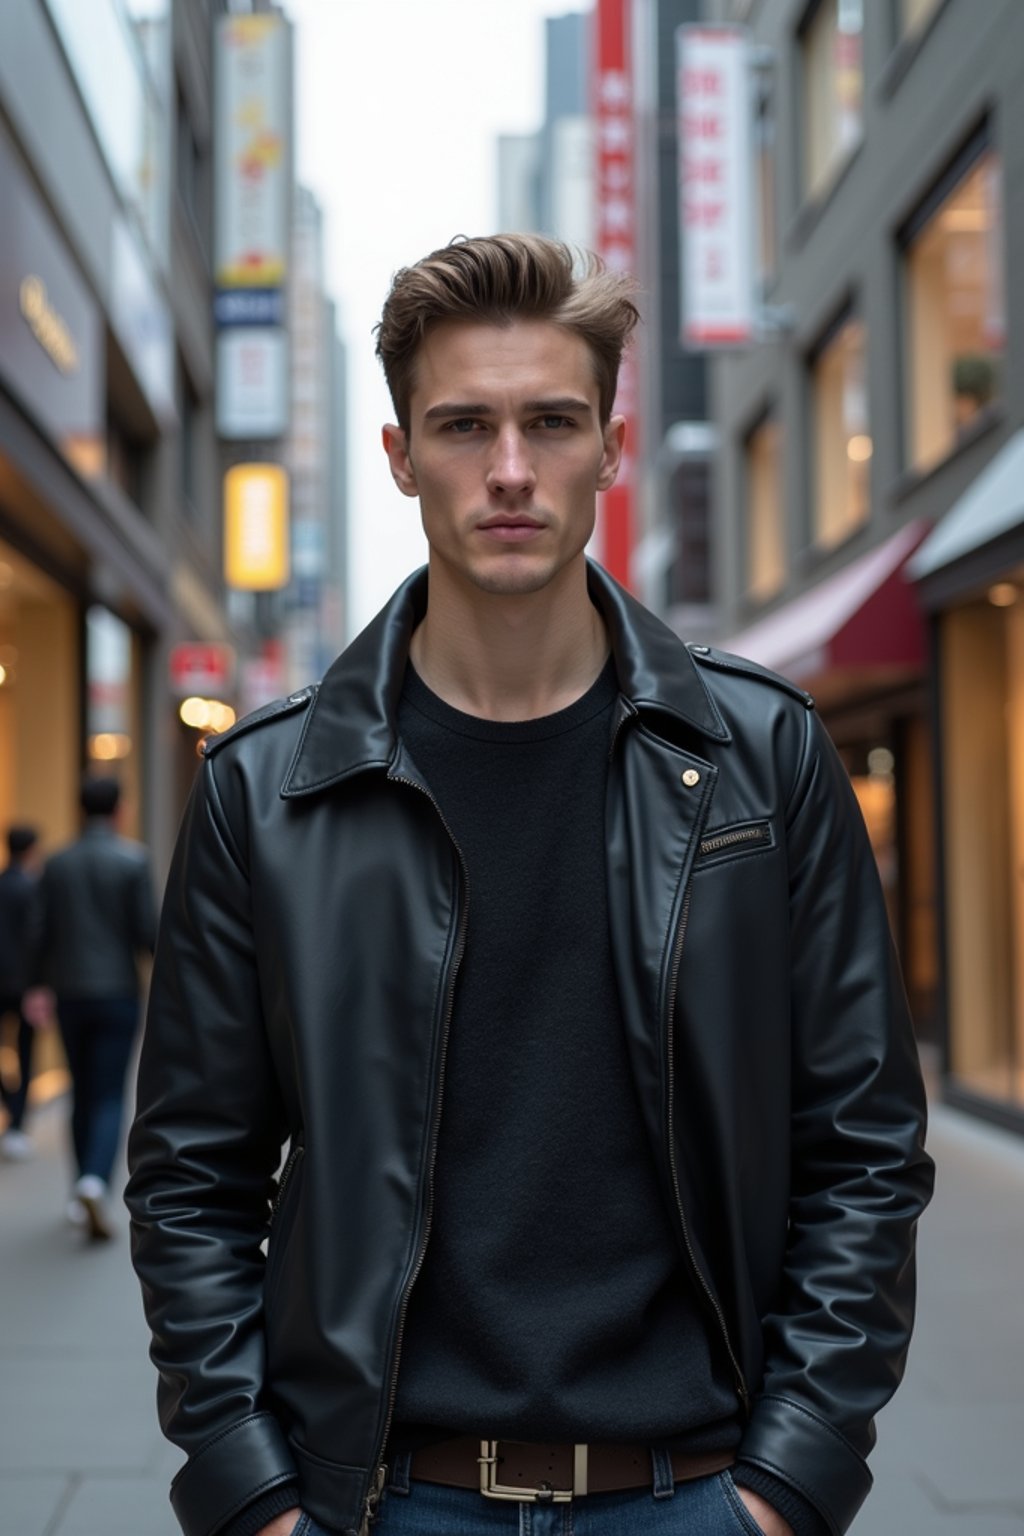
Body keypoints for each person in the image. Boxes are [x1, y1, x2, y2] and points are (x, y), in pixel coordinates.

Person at [126, 235, 934, 1536]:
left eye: (552, 423)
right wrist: (253, 1497)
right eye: (464, 426)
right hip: (381, 1503)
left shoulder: (764, 758)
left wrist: (790, 1484)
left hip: (695, 1495)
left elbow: (865, 1149)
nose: (510, 470)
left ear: (610, 447)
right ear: (398, 456)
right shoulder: (268, 793)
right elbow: (190, 1179)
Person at [28, 775, 156, 1239]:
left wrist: (36, 984)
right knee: (108, 1092)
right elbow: (147, 931)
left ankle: (80, 1189)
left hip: (69, 992)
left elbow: (39, 932)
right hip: (117, 992)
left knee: (79, 1089)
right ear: (120, 808)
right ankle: (95, 1182)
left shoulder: (57, 864)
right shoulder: (133, 860)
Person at [0, 824, 43, 1159]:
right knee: (27, 1054)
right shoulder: (34, 889)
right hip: (26, 984)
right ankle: (17, 1120)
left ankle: (11, 1106)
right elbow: (38, 939)